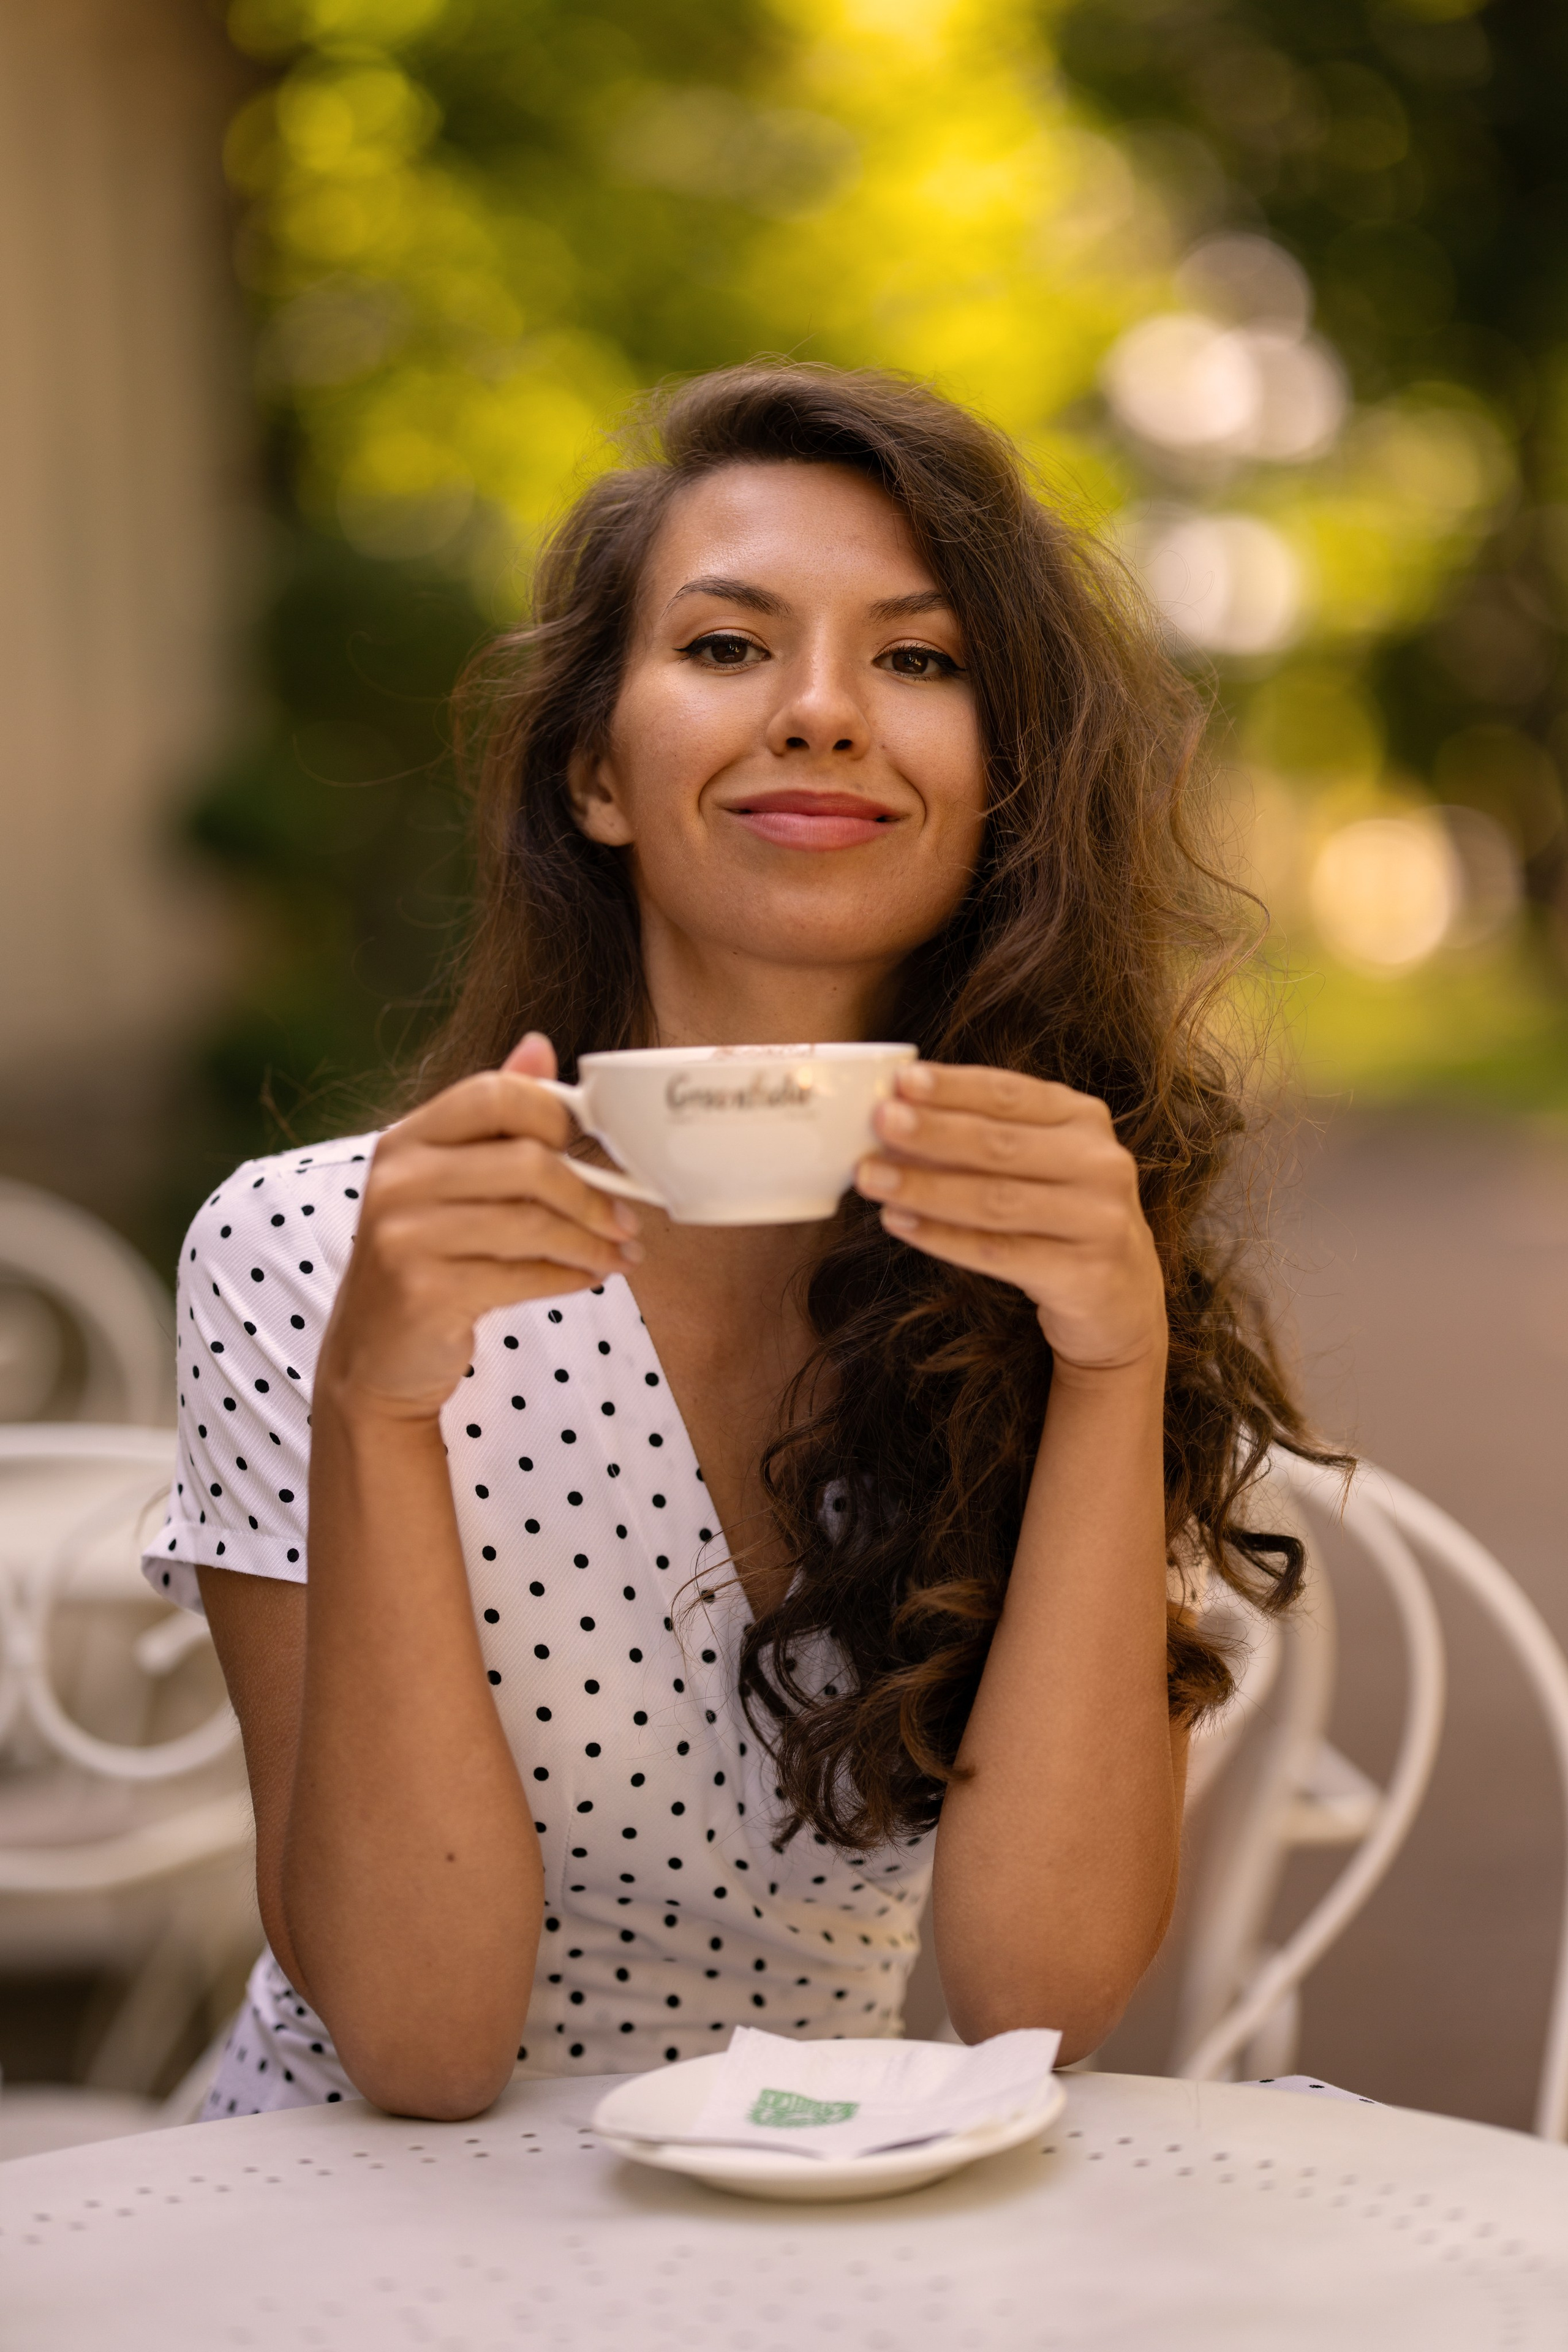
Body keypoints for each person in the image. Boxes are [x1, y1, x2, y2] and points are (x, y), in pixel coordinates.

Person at [144, 361, 1316, 2123]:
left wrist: (1111, 1366)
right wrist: (376, 1408)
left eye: (920, 662)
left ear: (1004, 787)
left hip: (815, 2213)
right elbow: (416, 2045)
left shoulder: (1071, 1244)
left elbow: (1038, 2001)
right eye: (725, 646)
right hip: (343, 2222)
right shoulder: (316, 1248)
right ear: (596, 776)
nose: (825, 713)